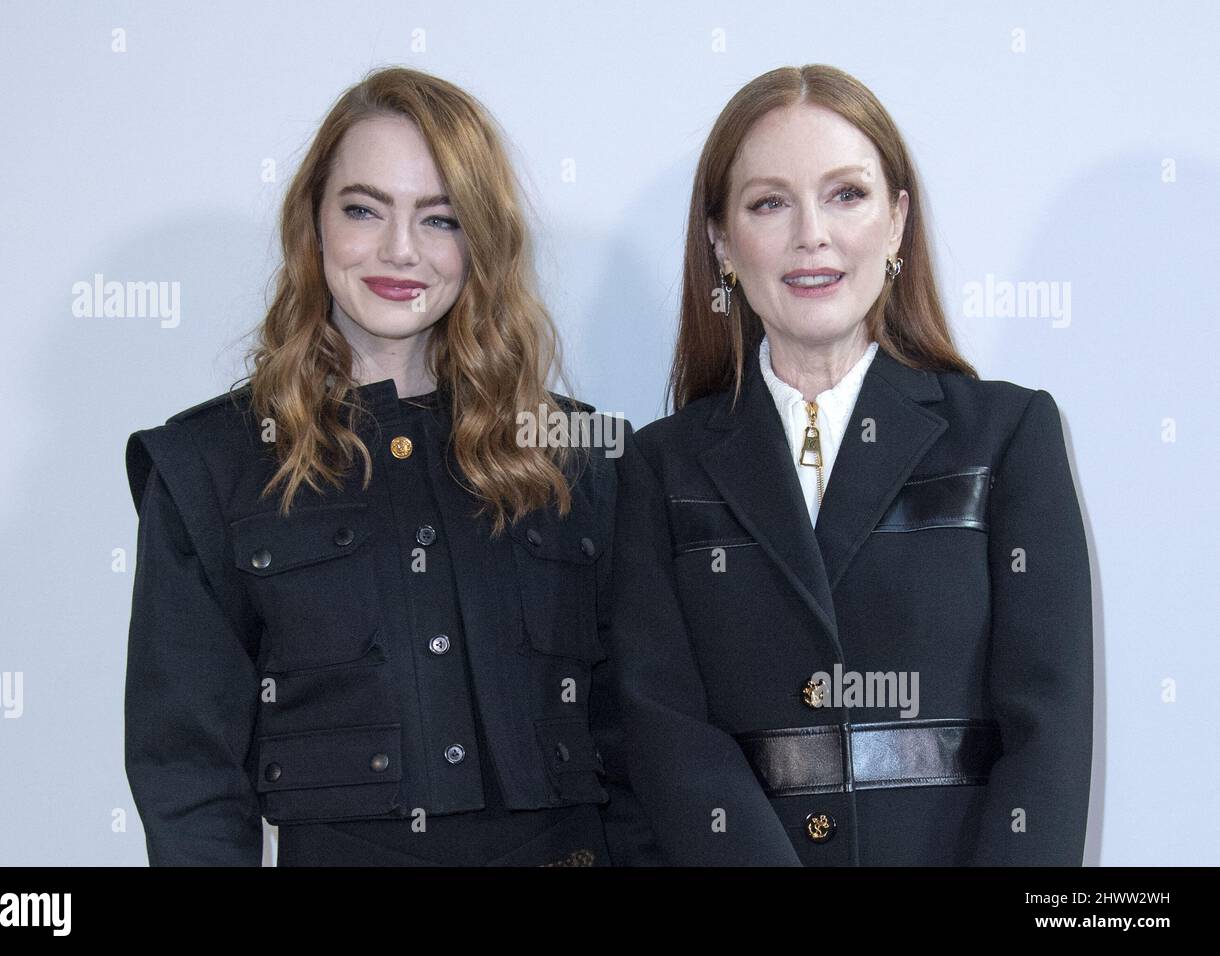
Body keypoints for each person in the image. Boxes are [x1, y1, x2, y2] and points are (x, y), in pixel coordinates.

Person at [123, 66, 658, 866]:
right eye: (364, 209)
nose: (400, 250)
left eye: (440, 219)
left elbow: (640, 744)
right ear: (313, 222)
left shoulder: (585, 458)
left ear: (483, 240)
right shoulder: (210, 466)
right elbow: (188, 773)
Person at [610, 64, 1093, 865]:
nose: (812, 235)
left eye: (847, 194)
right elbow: (664, 735)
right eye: (770, 203)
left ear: (898, 221)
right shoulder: (659, 468)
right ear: (723, 242)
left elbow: (1048, 737)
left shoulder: (1009, 437)